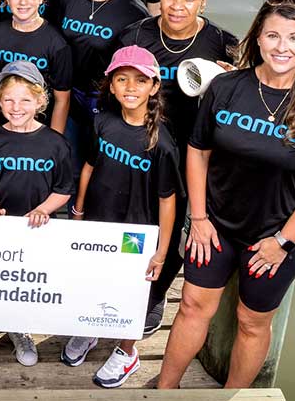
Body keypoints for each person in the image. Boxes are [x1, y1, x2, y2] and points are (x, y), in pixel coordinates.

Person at [158, 0, 295, 390]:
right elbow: (198, 151)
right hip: (216, 228)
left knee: (251, 323)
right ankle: (164, 389)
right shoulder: (226, 87)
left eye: (294, 38)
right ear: (257, 38)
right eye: (273, 35)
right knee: (192, 307)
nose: (282, 46)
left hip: (273, 236)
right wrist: (199, 217)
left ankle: (232, 396)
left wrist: (283, 241)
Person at [118, 0, 239, 336]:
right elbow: (110, 85)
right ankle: (116, 283)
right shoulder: (135, 34)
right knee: (128, 215)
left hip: (190, 151)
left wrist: (234, 77)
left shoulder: (222, 42)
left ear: (203, 2)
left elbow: (252, 91)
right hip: (142, 145)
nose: (176, 5)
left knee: (174, 222)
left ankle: (155, 295)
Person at [62, 46, 179, 388]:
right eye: (122, 79)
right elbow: (88, 167)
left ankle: (127, 352)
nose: (130, 87)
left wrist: (161, 250)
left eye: (140, 80)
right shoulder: (101, 122)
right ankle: (91, 330)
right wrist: (78, 211)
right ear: (110, 85)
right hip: (100, 222)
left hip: (136, 235)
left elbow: (168, 201)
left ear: (154, 87)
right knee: (94, 280)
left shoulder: (162, 143)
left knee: (129, 294)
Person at [0, 60, 74, 366]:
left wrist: (43, 209)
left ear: (41, 101)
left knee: (24, 281)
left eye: (26, 100)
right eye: (9, 100)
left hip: (35, 231)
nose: (16, 107)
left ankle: (20, 328)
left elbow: (64, 188)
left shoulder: (56, 144)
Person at [57, 0, 149, 167]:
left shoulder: (135, 14)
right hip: (64, 95)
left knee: (96, 165)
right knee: (64, 161)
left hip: (103, 103)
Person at [0, 0, 71, 134]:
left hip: (40, 127)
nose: (23, 2)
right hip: (3, 122)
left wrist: (55, 137)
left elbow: (62, 98)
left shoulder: (57, 43)